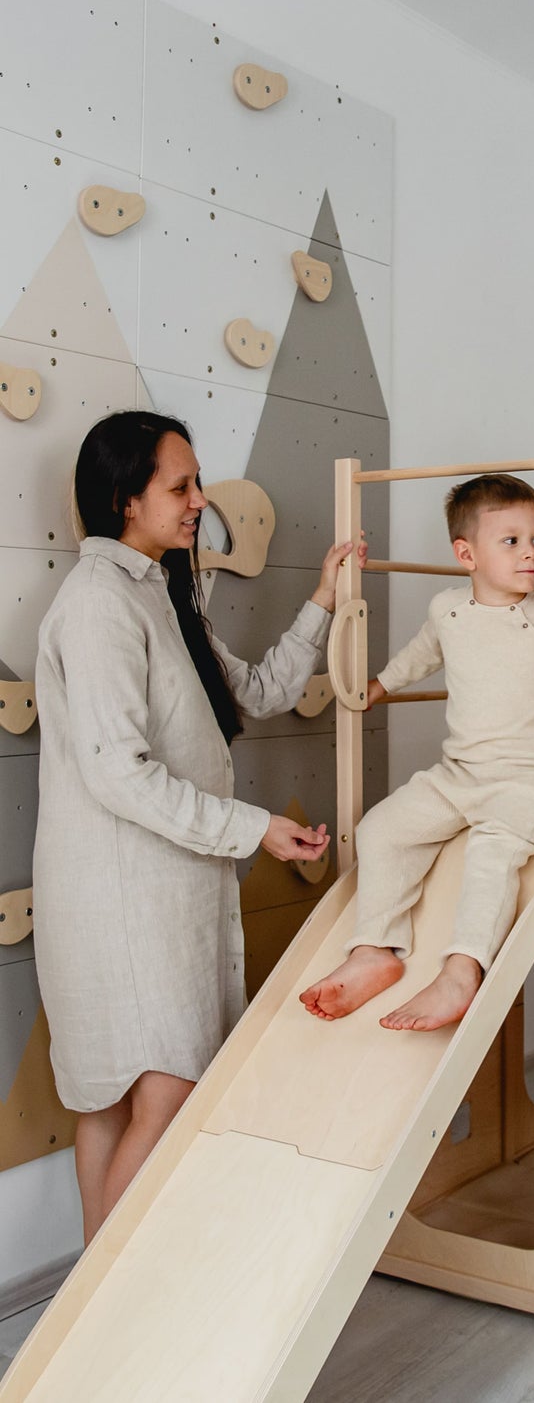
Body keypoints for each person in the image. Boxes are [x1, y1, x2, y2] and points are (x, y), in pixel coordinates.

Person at [33, 410, 354, 1244]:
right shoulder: (99, 603)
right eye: (181, 486)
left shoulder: (163, 592)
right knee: (157, 1088)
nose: (199, 501)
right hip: (120, 895)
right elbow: (118, 771)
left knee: (118, 1101)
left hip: (156, 888)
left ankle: (95, 1305)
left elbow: (257, 690)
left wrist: (322, 598)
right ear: (124, 498)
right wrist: (255, 828)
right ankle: (105, 1298)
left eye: (197, 482)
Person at [299, 473, 534, 1031]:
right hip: (460, 773)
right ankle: (374, 950)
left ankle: (462, 970)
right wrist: (380, 685)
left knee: (491, 855)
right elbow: (422, 653)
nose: (531, 553)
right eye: (511, 541)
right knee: (380, 830)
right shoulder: (448, 609)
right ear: (467, 555)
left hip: (532, 779)